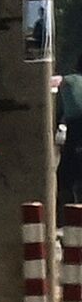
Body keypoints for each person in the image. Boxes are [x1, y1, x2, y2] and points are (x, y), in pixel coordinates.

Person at [58, 58, 82, 202]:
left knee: (65, 172)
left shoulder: (71, 80)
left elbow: (53, 81)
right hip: (74, 126)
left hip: (75, 126)